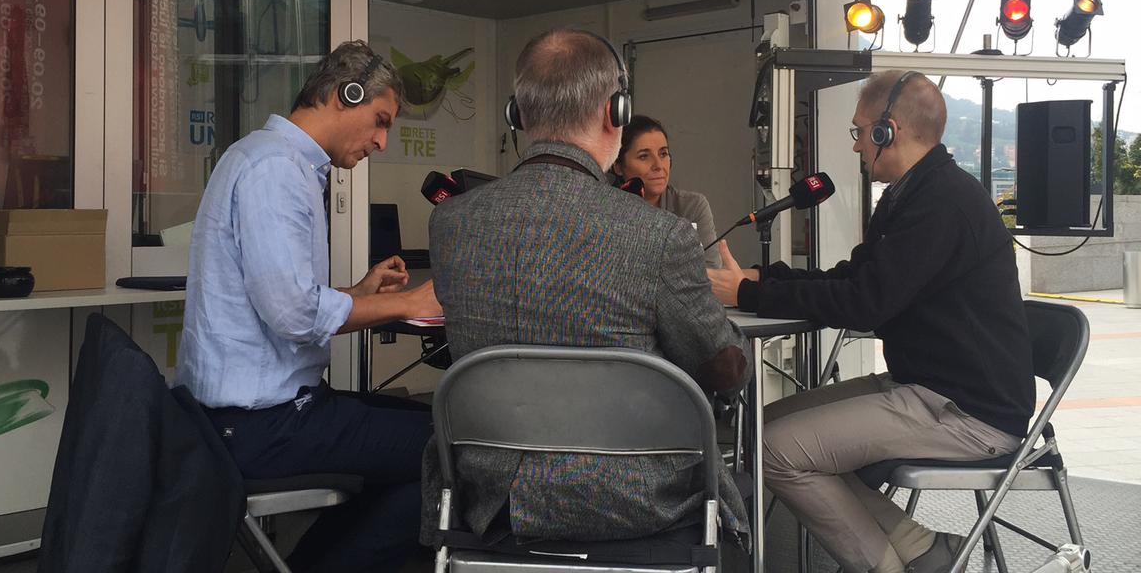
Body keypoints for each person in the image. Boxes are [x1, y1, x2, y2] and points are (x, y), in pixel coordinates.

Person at [426, 29, 751, 543]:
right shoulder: (660, 235)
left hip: (489, 494)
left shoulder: (451, 223)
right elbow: (722, 370)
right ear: (614, 113)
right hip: (635, 498)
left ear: (518, 115)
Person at [708, 70, 1035, 573]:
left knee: (776, 451)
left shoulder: (943, 204)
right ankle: (924, 550)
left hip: (968, 412)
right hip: (926, 386)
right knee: (765, 429)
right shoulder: (913, 194)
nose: (858, 144)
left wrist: (751, 292)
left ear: (889, 132)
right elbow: (855, 277)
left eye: (861, 131)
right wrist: (763, 278)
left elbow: (864, 303)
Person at [177, 42, 441, 573]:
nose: (381, 141)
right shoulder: (275, 171)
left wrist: (360, 292)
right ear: (346, 95)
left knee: (431, 421)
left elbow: (285, 299)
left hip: (249, 417)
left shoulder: (268, 159)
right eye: (379, 121)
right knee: (452, 450)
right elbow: (295, 315)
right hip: (262, 426)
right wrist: (410, 303)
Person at [611, 114, 722, 268]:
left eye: (663, 154)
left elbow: (711, 272)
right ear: (618, 166)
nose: (658, 165)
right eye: (644, 156)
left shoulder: (692, 206)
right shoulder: (604, 209)